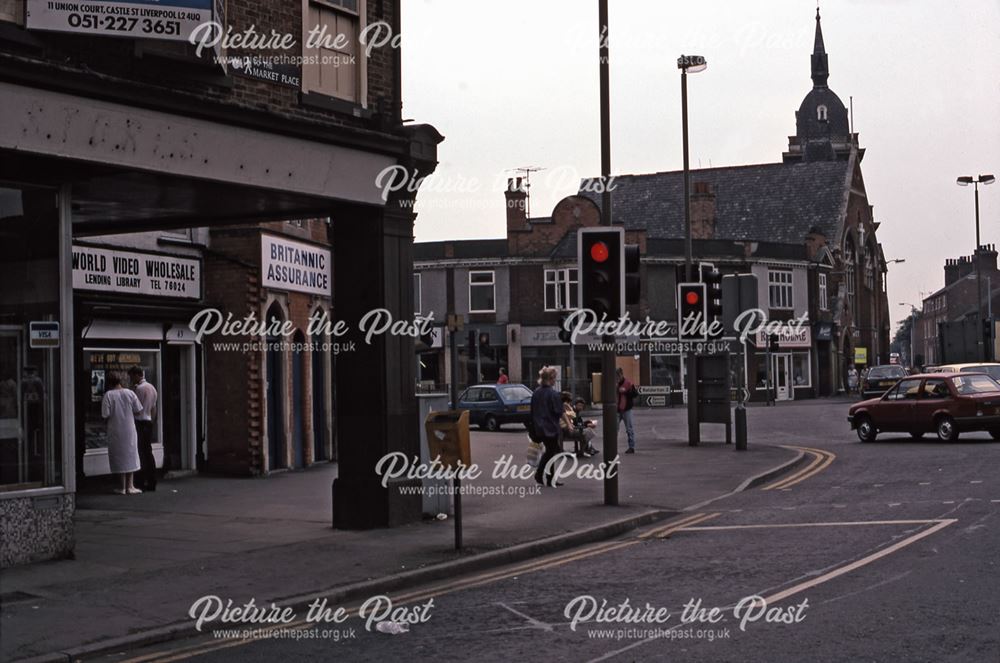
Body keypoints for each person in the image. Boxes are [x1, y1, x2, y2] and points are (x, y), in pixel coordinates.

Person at [101, 371, 143, 495]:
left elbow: (105, 414)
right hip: (129, 428)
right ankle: (131, 485)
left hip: (115, 429)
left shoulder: (108, 395)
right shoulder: (130, 393)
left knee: (119, 456)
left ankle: (122, 487)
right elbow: (139, 410)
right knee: (131, 454)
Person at [530, 366, 564, 486]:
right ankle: (540, 474)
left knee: (550, 451)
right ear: (550, 378)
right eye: (554, 378)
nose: (555, 380)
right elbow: (558, 411)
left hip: (539, 427)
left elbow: (532, 410)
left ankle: (549, 478)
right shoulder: (553, 394)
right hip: (551, 427)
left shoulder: (536, 392)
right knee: (550, 452)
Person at [128, 366, 158, 492]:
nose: (131, 379)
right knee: (148, 452)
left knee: (140, 452)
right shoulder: (152, 388)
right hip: (148, 421)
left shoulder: (139, 389)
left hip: (140, 422)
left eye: (131, 377)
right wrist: (152, 421)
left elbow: (137, 408)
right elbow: (154, 408)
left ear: (136, 375)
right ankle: (152, 481)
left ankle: (140, 481)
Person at [616, 367, 637, 454]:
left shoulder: (628, 383)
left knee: (629, 429)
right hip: (617, 409)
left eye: (618, 376)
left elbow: (635, 394)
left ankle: (631, 447)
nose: (617, 378)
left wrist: (626, 391)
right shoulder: (614, 383)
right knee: (614, 429)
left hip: (626, 409)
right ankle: (613, 447)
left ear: (621, 375)